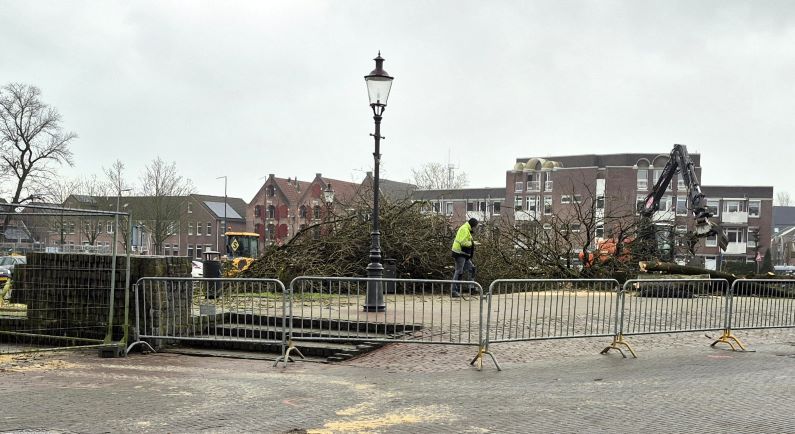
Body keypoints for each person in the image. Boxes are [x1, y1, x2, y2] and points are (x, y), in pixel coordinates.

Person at [450, 217, 478, 297]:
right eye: (475, 227)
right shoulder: (464, 229)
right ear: (472, 225)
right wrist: (472, 244)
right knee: (459, 271)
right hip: (459, 253)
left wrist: (472, 242)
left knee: (471, 268)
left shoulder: (467, 229)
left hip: (464, 254)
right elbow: (463, 242)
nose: (475, 229)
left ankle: (471, 288)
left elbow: (467, 241)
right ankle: (454, 291)